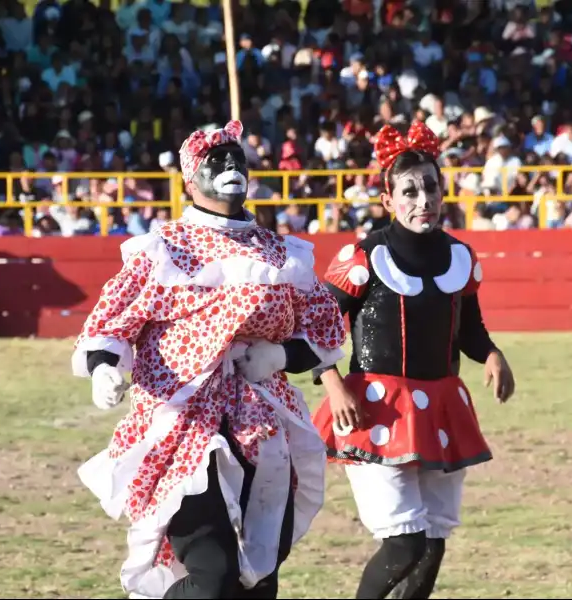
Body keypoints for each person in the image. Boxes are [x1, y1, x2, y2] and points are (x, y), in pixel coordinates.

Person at [72, 120, 347, 600]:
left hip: (263, 425)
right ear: (189, 179)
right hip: (183, 429)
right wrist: (103, 368)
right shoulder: (164, 249)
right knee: (213, 579)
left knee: (258, 581)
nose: (229, 165)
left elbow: (323, 334)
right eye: (214, 160)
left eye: (236, 157)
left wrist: (279, 354)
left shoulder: (282, 253)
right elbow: (111, 322)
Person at [312, 121, 517, 600]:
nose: (422, 199)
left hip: (442, 410)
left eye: (430, 187)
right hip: (376, 410)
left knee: (432, 547)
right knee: (404, 543)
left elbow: (469, 330)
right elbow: (315, 325)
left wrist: (491, 353)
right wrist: (333, 383)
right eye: (409, 190)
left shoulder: (460, 257)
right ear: (388, 200)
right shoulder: (364, 255)